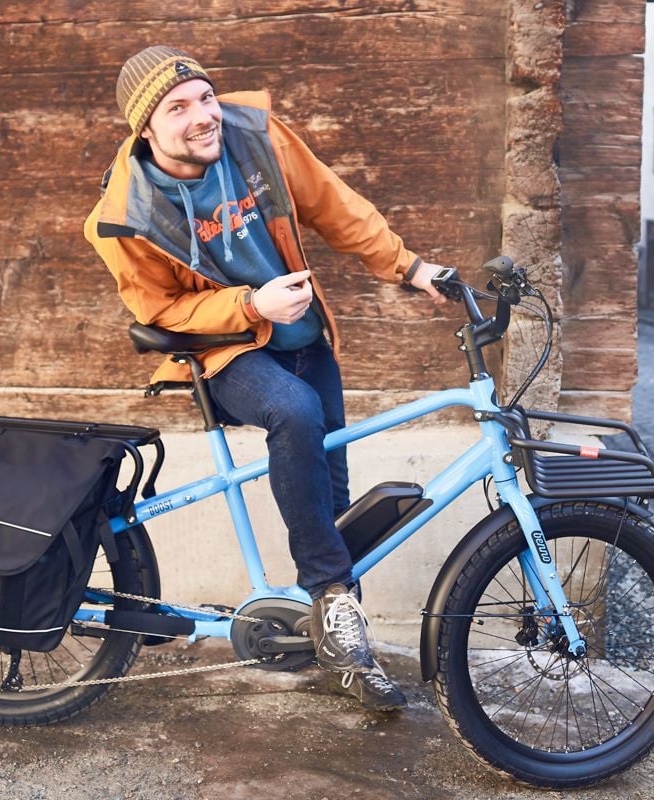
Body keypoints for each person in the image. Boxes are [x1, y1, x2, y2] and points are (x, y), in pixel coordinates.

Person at [84, 47, 447, 710]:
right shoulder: (125, 213)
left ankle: (345, 650)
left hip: (308, 343)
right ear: (146, 130)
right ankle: (331, 601)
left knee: (334, 504)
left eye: (204, 97)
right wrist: (251, 306)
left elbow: (335, 206)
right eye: (178, 107)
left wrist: (410, 267)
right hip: (227, 352)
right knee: (294, 411)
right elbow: (160, 309)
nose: (202, 116)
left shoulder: (255, 139)